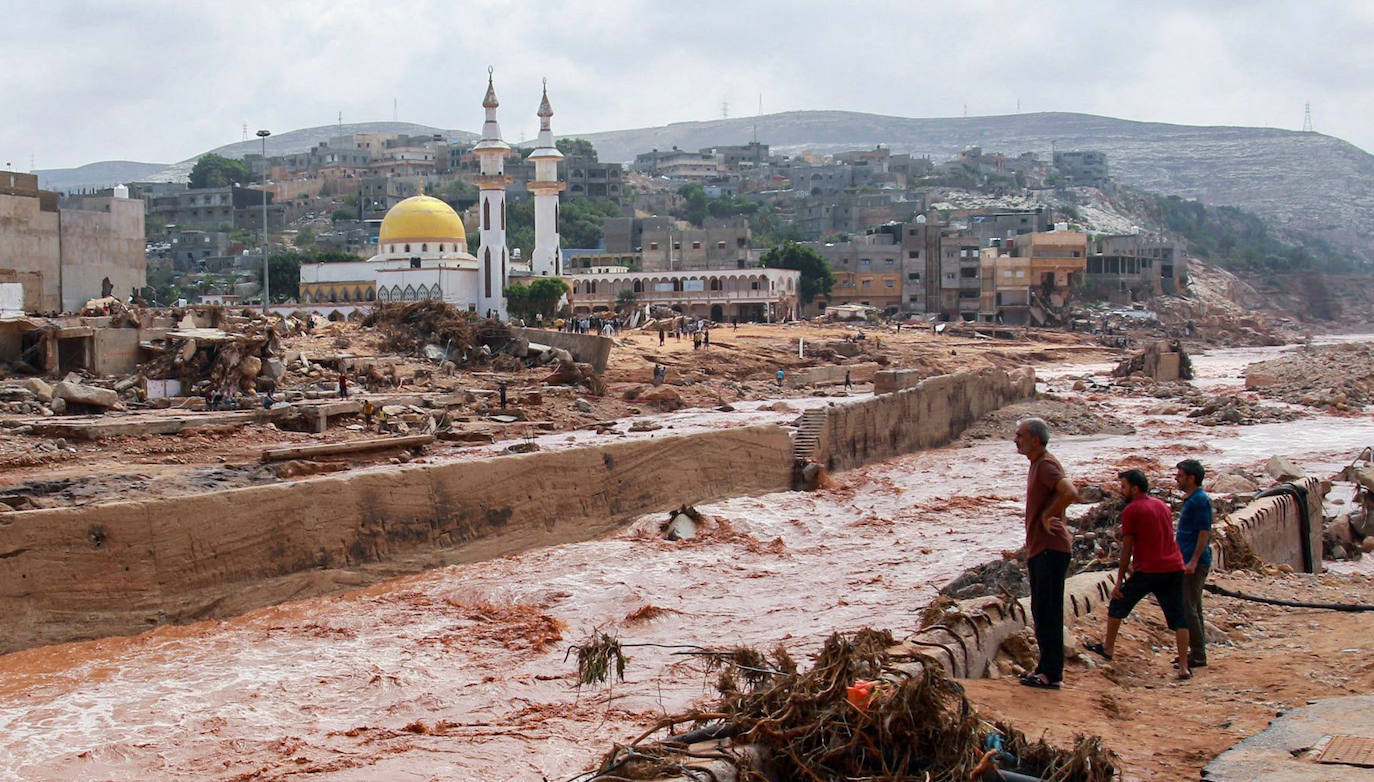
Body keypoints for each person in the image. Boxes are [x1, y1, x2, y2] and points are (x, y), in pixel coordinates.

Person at [1084, 469, 1194, 680]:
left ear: (1134, 489)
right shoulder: (1161, 505)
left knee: (1118, 605)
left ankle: (1108, 648)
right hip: (1173, 567)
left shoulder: (1132, 510)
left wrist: (1118, 581)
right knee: (1179, 617)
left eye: (1123, 487)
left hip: (1149, 570)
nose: (1120, 491)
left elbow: (1127, 550)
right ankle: (1183, 666)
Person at [1014, 417, 1078, 690]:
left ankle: (1051, 674)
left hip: (1050, 548)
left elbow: (1070, 492)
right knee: (1042, 610)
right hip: (1044, 548)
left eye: (1020, 435)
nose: (1015, 440)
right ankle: (1045, 669)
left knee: (1048, 611)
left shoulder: (1046, 465)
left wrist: (1047, 516)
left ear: (1036, 440)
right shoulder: (1038, 464)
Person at [1176, 459, 1212, 669]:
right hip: (1188, 559)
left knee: (1189, 607)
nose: (1177, 479)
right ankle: (1195, 651)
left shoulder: (1199, 500)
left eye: (1180, 476)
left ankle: (1198, 654)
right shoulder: (1192, 499)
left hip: (1194, 562)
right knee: (1193, 606)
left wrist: (1194, 561)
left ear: (1192, 478)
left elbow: (1204, 531)